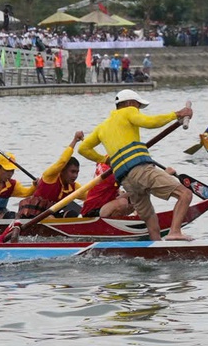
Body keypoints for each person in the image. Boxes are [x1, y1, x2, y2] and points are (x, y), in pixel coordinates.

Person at [77, 90, 196, 240]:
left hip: (126, 180)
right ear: (128, 104)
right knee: (185, 194)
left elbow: (82, 149)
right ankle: (175, 232)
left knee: (149, 217)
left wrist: (105, 159)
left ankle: (156, 245)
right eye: (137, 106)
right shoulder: (128, 111)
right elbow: (150, 122)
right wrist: (177, 114)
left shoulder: (102, 127)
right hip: (140, 170)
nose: (138, 110)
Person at [18, 133, 86, 218]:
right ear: (62, 170)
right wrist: (75, 140)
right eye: (72, 172)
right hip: (32, 215)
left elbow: (91, 195)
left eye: (77, 172)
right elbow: (63, 161)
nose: (75, 176)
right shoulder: (50, 176)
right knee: (51, 218)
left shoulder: (74, 187)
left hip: (50, 217)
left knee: (72, 214)